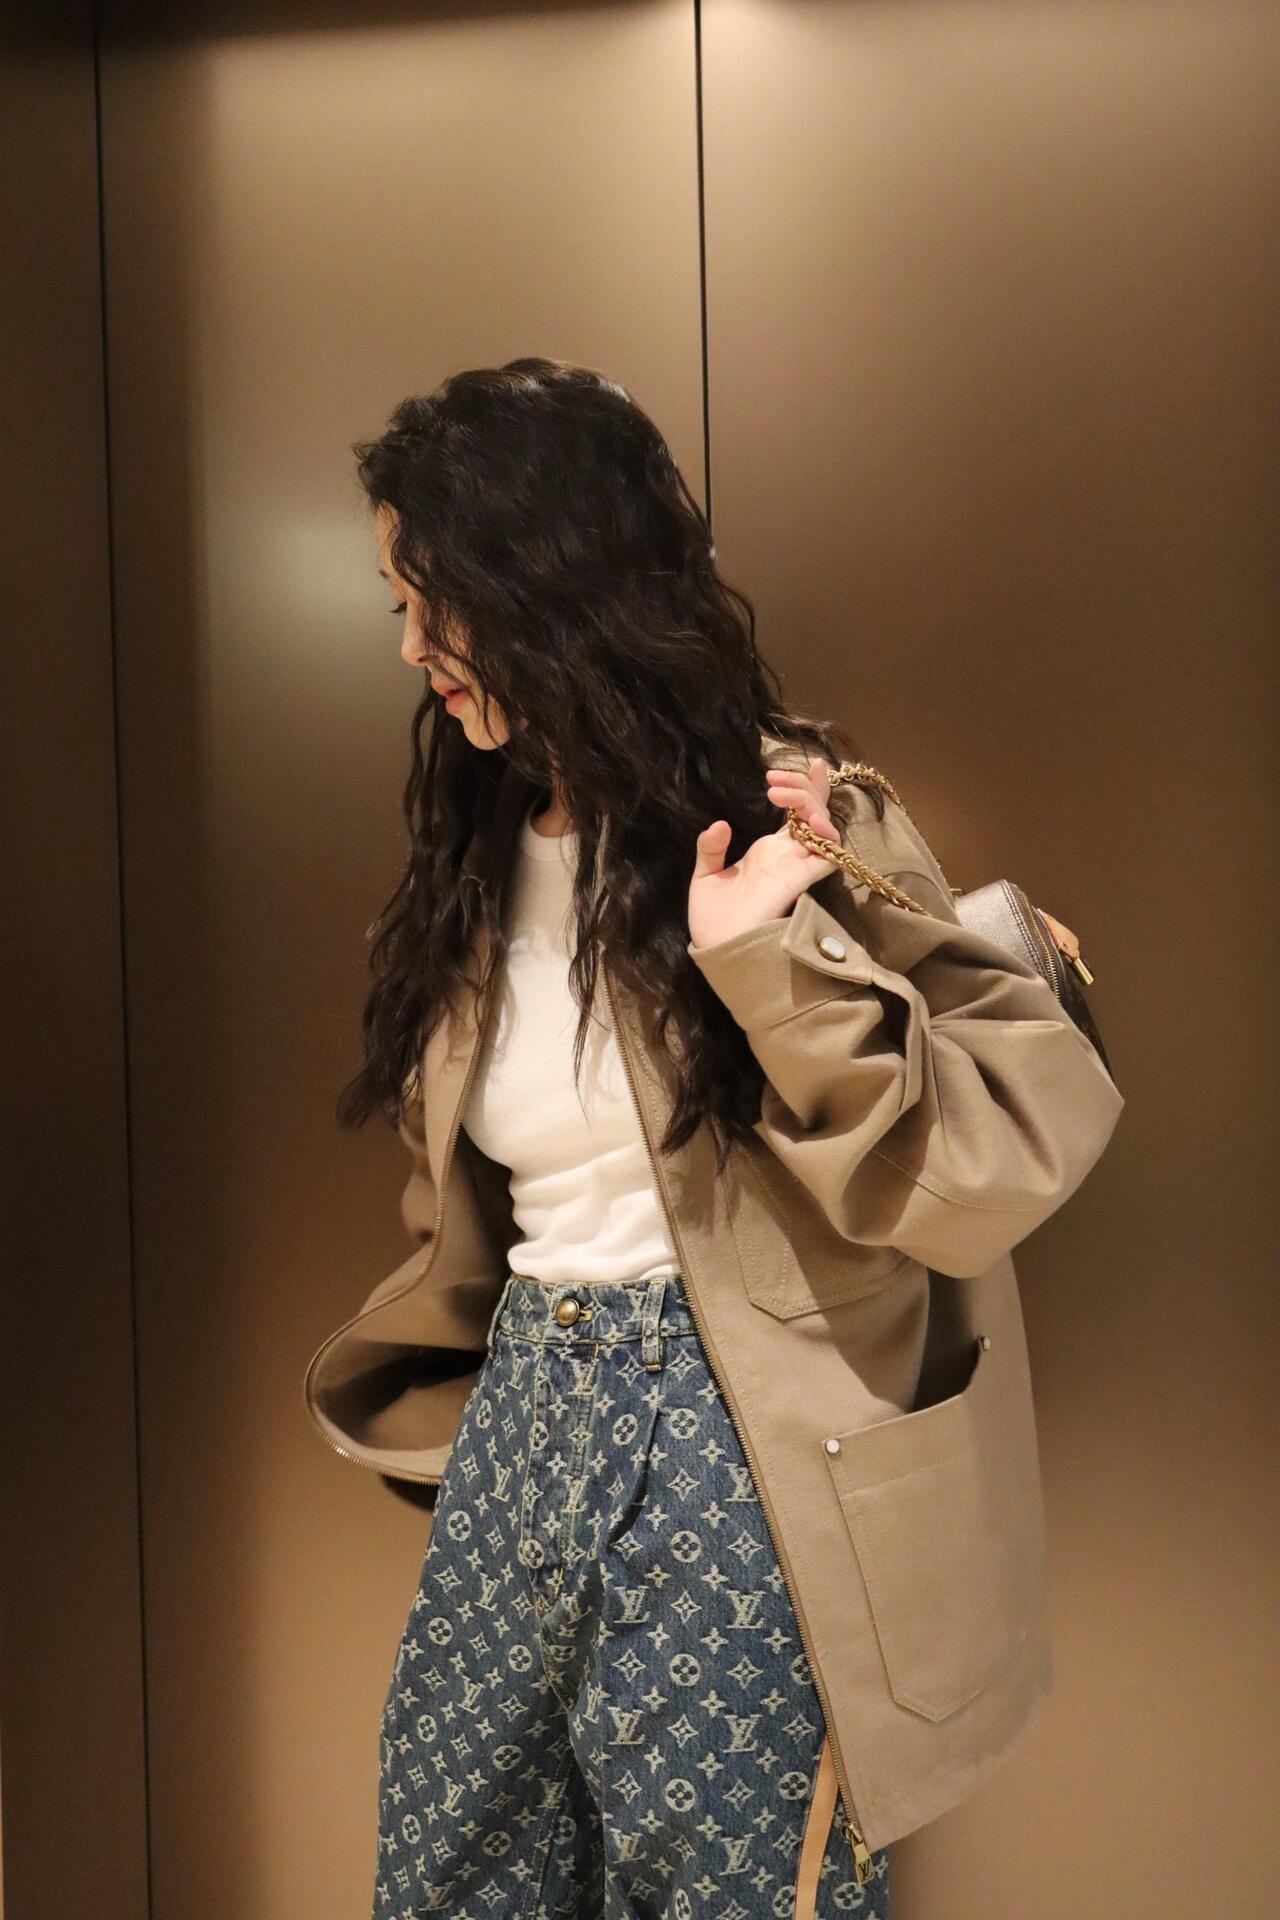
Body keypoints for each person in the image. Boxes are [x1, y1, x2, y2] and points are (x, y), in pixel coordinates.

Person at [306, 357, 1125, 1920]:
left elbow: (982, 1162)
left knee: (735, 1894)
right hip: (524, 1431)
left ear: (542, 577)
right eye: (401, 604)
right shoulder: (474, 849)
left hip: (739, 1448)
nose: (413, 647)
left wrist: (765, 958)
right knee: (450, 1877)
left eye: (435, 600)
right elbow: (468, 1191)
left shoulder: (793, 814)